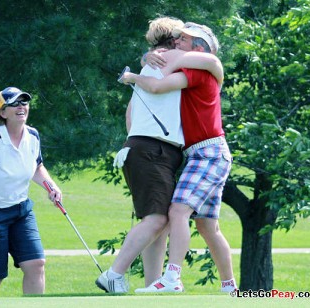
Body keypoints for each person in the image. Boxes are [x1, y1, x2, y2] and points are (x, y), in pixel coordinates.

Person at [96, 17, 225, 294]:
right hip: (157, 149)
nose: (179, 41)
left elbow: (131, 109)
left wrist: (138, 68)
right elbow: (152, 88)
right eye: (177, 37)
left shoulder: (162, 64)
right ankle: (115, 274)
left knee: (164, 219)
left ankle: (154, 284)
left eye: (184, 38)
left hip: (161, 149)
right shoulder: (162, 64)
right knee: (160, 219)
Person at [0, 87, 62, 295]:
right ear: (3, 113)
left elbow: (36, 167)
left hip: (21, 211)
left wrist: (51, 186)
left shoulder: (33, 135)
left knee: (37, 264)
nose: (21, 107)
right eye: (14, 104)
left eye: (24, 102)